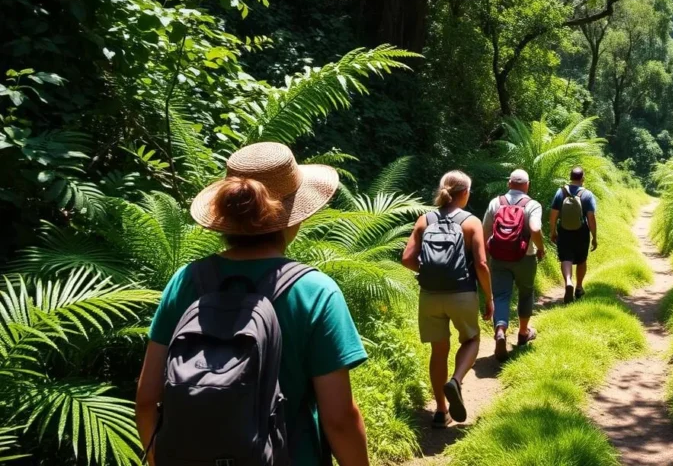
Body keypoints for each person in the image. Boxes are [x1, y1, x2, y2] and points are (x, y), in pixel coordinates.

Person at [135, 142, 371, 466]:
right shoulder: (316, 292)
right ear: (292, 216)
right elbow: (340, 420)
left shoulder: (186, 281)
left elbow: (147, 400)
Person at [401, 171, 493, 429]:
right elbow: (482, 264)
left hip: (430, 295)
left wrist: (430, 271)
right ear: (464, 194)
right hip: (462, 292)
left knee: (438, 351)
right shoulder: (471, 222)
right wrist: (489, 297)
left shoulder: (424, 220)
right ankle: (456, 380)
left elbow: (407, 259)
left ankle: (441, 411)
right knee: (472, 339)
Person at [482, 169, 545, 361]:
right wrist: (541, 248)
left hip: (499, 258)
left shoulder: (496, 203)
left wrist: (485, 256)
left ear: (509, 183)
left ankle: (500, 330)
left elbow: (484, 231)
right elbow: (535, 228)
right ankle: (523, 333)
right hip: (525, 257)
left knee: (501, 295)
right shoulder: (532, 205)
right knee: (526, 292)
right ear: (527, 185)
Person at [549, 166, 598, 304]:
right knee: (581, 260)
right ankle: (579, 287)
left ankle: (568, 281)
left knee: (566, 258)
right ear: (583, 178)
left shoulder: (560, 192)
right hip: (581, 231)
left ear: (570, 177)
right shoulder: (587, 194)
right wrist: (594, 237)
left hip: (564, 230)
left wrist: (553, 231)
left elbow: (553, 215)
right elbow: (591, 217)